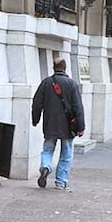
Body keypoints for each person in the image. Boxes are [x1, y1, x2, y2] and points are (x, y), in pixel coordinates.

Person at [31, 58, 85, 190]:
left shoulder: (46, 83)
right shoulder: (72, 84)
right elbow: (78, 106)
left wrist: (35, 119)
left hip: (50, 124)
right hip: (68, 126)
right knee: (66, 153)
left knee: (48, 149)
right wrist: (81, 127)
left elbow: (37, 103)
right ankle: (61, 182)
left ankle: (45, 166)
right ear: (65, 68)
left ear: (53, 68)